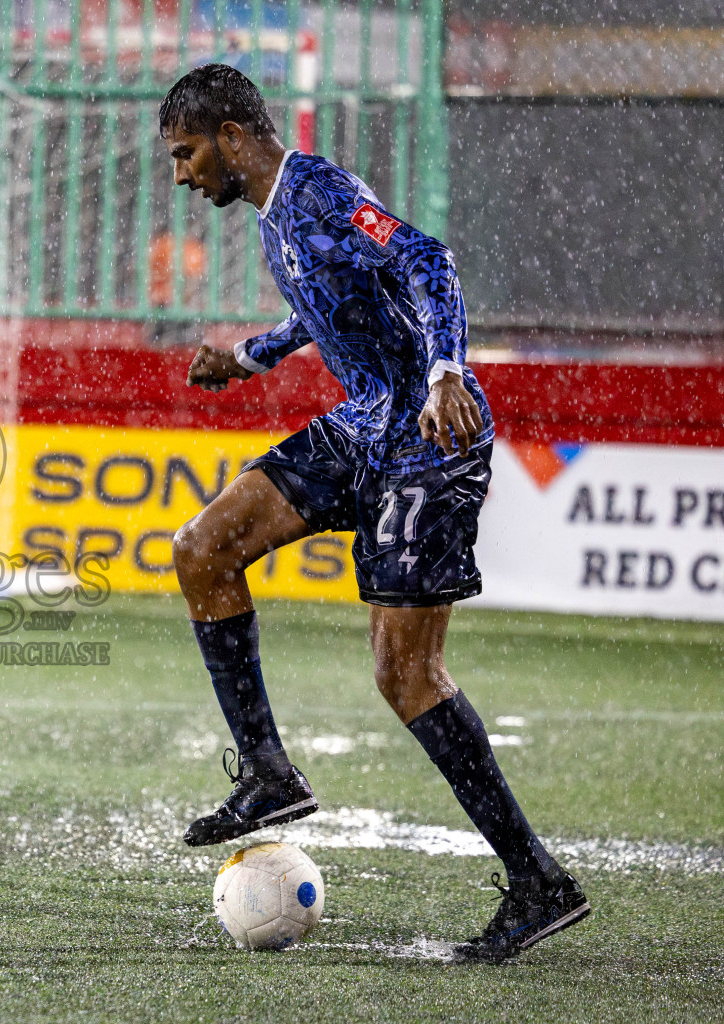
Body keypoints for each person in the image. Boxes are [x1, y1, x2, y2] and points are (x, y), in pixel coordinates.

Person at [157, 64, 589, 961]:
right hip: (365, 427)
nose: (182, 174)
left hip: (429, 439)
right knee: (203, 550)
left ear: (233, 136)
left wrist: (443, 371)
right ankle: (269, 774)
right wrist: (249, 355)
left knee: (405, 677)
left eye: (187, 152)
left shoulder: (321, 191)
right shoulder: (279, 217)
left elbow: (426, 257)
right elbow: (328, 307)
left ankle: (537, 880)